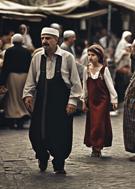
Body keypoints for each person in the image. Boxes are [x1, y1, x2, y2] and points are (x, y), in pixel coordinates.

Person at [23, 27, 82, 174]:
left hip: (61, 103)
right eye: (43, 38)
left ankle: (59, 162)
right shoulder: (37, 57)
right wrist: (28, 95)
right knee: (36, 133)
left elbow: (75, 82)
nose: (44, 41)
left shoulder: (67, 57)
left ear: (57, 40)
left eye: (48, 38)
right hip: (42, 102)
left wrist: (72, 102)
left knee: (60, 133)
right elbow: (31, 79)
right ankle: (42, 156)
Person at [82, 44, 118, 157]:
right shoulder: (86, 70)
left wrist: (114, 99)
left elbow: (110, 85)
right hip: (92, 101)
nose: (90, 57)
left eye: (93, 55)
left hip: (102, 101)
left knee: (99, 123)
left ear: (99, 56)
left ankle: (98, 146)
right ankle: (94, 145)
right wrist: (84, 100)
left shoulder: (104, 69)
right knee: (92, 123)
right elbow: (85, 86)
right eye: (88, 55)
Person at [0, 34, 31, 129]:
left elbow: (5, 67)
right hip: (24, 77)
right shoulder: (26, 51)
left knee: (12, 99)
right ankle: (21, 120)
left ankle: (12, 120)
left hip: (12, 77)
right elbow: (29, 65)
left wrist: (2, 81)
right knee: (21, 98)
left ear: (13, 41)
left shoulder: (9, 51)